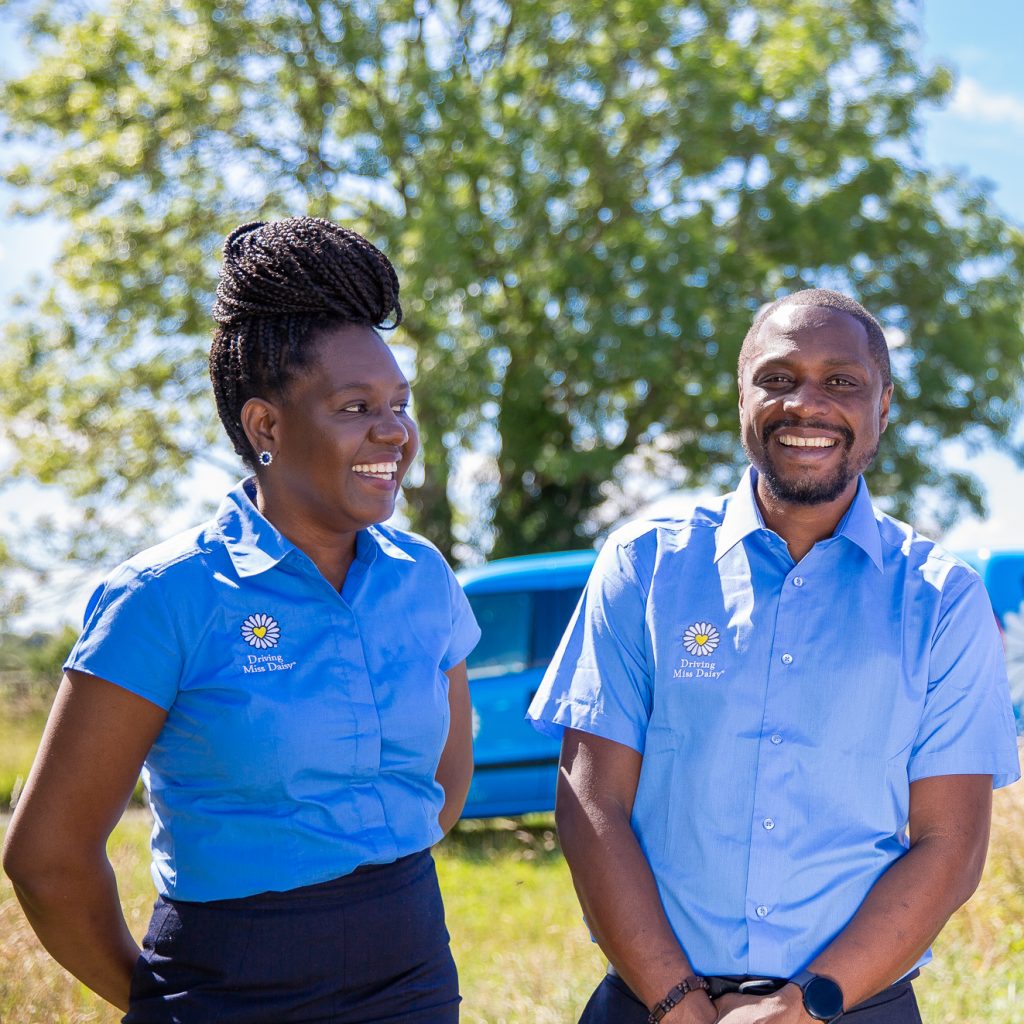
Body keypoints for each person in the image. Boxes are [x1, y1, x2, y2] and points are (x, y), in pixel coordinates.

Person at [2, 217, 479, 1023]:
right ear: (266, 427)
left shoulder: (423, 579)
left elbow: (444, 786)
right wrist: (167, 1005)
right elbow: (46, 857)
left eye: (399, 403)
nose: (394, 431)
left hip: (412, 975)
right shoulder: (164, 598)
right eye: (356, 405)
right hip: (231, 984)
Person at [528, 289, 1020, 1024]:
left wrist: (804, 1006)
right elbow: (592, 803)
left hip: (850, 1006)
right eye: (778, 378)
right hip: (649, 1004)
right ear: (741, 397)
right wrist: (676, 1001)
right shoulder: (645, 564)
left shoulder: (943, 599)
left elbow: (950, 845)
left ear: (883, 406)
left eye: (842, 382)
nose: (807, 404)